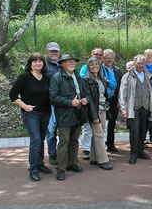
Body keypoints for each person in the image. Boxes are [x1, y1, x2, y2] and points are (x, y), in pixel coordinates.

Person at [9, 53, 53, 182]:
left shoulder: (46, 78)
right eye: (35, 61)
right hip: (31, 114)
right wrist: (24, 106)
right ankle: (33, 170)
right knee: (35, 139)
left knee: (41, 140)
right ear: (31, 63)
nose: (38, 63)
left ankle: (39, 164)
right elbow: (13, 94)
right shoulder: (25, 77)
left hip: (45, 113)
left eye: (40, 61)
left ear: (43, 64)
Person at [49, 53, 90, 181]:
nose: (72, 63)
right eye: (69, 61)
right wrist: (69, 103)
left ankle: (72, 163)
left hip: (78, 114)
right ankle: (61, 169)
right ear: (62, 63)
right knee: (63, 142)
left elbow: (86, 92)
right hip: (64, 115)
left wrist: (86, 100)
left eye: (73, 61)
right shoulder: (57, 77)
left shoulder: (78, 76)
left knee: (74, 140)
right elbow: (53, 97)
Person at [79, 48, 117, 160]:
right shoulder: (85, 70)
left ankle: (97, 153)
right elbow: (83, 83)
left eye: (100, 55)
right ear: (91, 55)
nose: (98, 56)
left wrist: (107, 81)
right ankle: (88, 150)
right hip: (92, 106)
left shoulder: (104, 72)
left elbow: (113, 85)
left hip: (103, 105)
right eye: (96, 54)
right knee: (89, 129)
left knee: (103, 129)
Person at [119, 55, 152, 164]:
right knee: (134, 131)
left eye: (142, 63)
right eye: (138, 63)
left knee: (143, 130)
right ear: (134, 64)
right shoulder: (128, 76)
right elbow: (122, 94)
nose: (140, 65)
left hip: (146, 107)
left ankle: (140, 151)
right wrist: (124, 109)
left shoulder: (149, 75)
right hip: (133, 107)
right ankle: (133, 154)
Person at [82, 58, 113, 170]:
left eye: (96, 64)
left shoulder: (101, 79)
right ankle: (103, 160)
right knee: (99, 134)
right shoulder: (86, 80)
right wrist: (94, 115)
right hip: (93, 109)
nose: (94, 66)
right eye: (92, 64)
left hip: (103, 108)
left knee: (101, 131)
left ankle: (94, 157)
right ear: (88, 67)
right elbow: (88, 98)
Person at [44, 42, 62, 166]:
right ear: (47, 52)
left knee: (65, 129)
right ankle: (52, 154)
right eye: (52, 51)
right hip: (49, 103)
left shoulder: (64, 64)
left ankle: (64, 154)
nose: (54, 53)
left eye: (56, 51)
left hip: (64, 103)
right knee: (51, 130)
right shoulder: (43, 65)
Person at [103, 49, 123, 152]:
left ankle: (110, 144)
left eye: (111, 58)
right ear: (103, 59)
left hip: (114, 100)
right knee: (103, 124)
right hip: (103, 100)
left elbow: (120, 86)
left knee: (112, 123)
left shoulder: (117, 71)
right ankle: (101, 146)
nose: (110, 60)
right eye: (107, 58)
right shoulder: (100, 70)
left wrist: (120, 100)